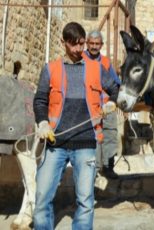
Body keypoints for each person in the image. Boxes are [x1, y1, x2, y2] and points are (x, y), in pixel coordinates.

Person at [33, 22, 119, 229]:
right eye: (74, 45)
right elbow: (40, 100)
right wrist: (42, 122)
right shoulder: (50, 69)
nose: (79, 49)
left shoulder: (96, 68)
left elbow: (116, 89)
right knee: (42, 196)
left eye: (81, 44)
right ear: (63, 43)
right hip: (56, 143)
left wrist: (111, 102)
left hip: (86, 142)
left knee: (86, 200)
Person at [84, 30, 121, 179]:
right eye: (91, 43)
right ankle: (95, 169)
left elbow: (115, 84)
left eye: (97, 44)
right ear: (87, 43)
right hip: (90, 107)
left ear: (101, 45)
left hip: (107, 107)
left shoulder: (106, 62)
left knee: (110, 135)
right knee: (93, 138)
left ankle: (108, 167)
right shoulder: (81, 60)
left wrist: (113, 102)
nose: (94, 46)